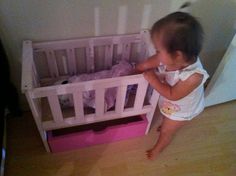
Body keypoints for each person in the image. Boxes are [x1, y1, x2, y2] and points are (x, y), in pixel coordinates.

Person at [134, 12, 209, 160]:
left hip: (182, 110)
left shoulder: (194, 77)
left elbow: (172, 95)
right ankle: (167, 122)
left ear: (178, 55)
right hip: (171, 103)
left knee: (166, 131)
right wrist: (140, 67)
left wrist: (153, 79)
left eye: (158, 50)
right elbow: (154, 60)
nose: (157, 53)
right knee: (165, 116)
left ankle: (158, 149)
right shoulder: (174, 58)